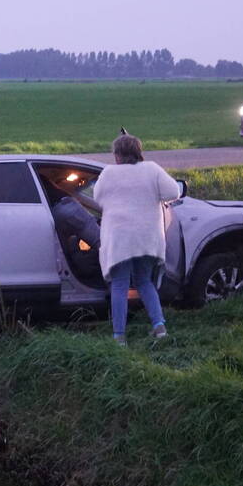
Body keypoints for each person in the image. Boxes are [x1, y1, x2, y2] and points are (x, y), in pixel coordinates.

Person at [93, 132, 180, 346]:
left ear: (117, 155)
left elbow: (97, 198)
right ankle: (159, 328)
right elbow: (174, 192)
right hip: (147, 237)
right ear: (138, 153)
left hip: (120, 238)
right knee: (144, 282)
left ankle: (119, 337)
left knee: (120, 285)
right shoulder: (152, 169)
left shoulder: (108, 173)